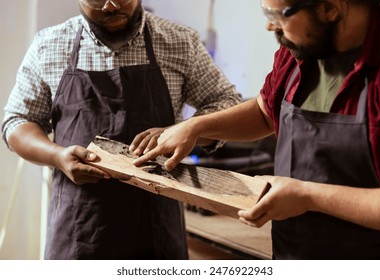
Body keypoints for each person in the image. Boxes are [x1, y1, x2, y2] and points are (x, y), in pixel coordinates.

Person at [133, 0, 380, 259]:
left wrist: (308, 196)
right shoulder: (300, 48)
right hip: (294, 251)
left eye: (277, 15)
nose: (269, 25)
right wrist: (196, 126)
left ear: (329, 8)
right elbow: (265, 111)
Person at [1, 0, 242, 259]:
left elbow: (227, 104)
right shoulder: (49, 45)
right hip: (79, 229)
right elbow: (17, 121)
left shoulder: (180, 42)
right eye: (97, 0)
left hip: (156, 226)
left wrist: (187, 129)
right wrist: (56, 156)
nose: (111, 6)